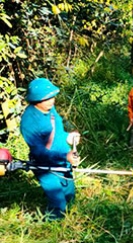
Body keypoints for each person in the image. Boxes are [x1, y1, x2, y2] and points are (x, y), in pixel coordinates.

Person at [20, 78, 81, 220]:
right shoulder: (29, 122)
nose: (51, 101)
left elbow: (57, 131)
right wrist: (66, 156)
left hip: (63, 162)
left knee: (69, 194)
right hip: (45, 166)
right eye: (47, 99)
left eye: (52, 97)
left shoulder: (49, 109)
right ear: (36, 100)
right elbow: (39, 152)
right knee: (58, 203)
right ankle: (50, 226)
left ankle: (70, 219)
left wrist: (69, 137)